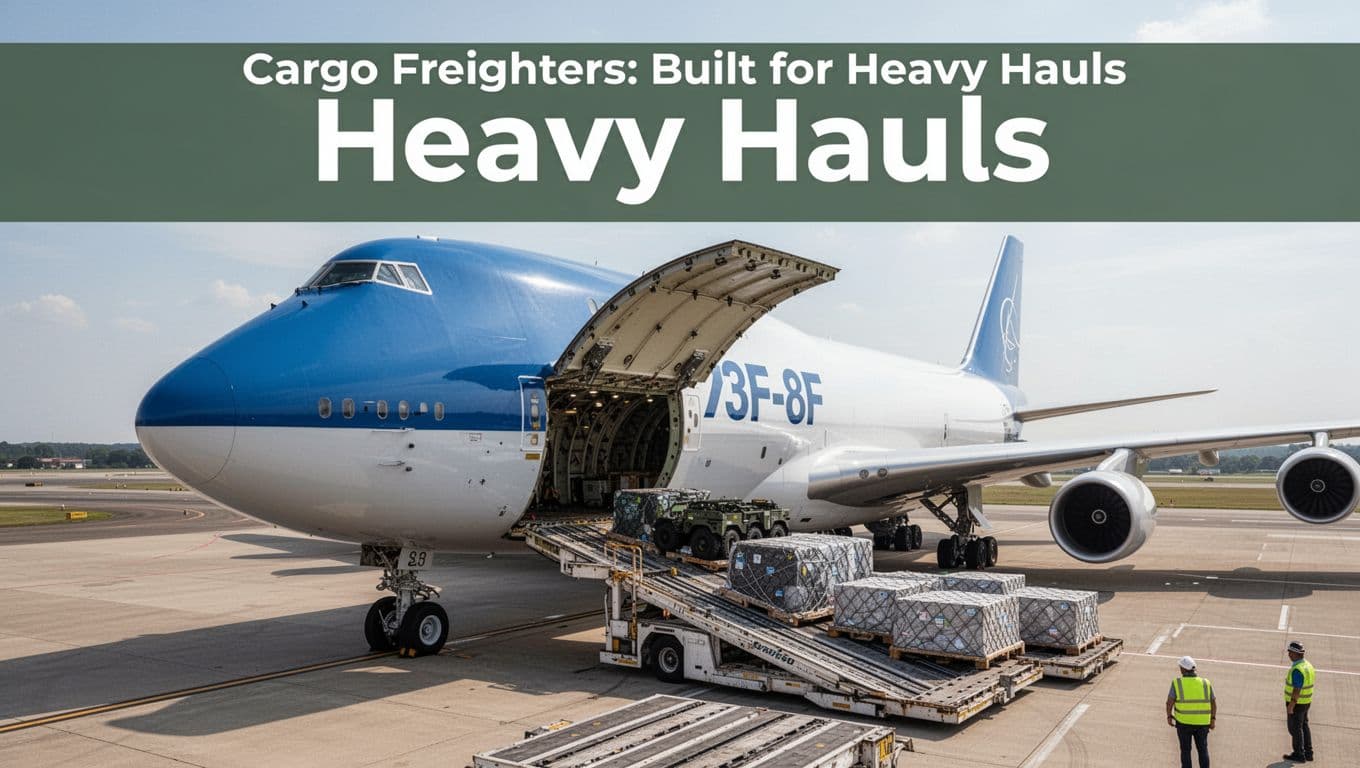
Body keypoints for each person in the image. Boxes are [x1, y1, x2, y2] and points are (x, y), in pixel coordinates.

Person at [1167, 655, 1215, 768]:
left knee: (1185, 751)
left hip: (1183, 724)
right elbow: (1213, 703)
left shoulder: (1177, 683)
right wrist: (1213, 719)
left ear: (1184, 669)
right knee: (1203, 750)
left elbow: (1169, 702)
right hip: (1203, 724)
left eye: (1180, 667)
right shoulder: (1206, 683)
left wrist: (1169, 716)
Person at [1282, 640, 1315, 763]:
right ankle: (1308, 753)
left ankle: (1299, 754)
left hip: (1297, 703)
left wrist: (1291, 705)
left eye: (1290, 652)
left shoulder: (1297, 669)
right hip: (1306, 701)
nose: (1289, 655)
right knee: (1304, 726)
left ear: (1295, 654)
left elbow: (1297, 689)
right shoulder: (1308, 665)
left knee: (1295, 729)